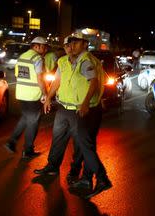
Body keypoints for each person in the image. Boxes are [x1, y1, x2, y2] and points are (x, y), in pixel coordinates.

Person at [34, 32, 112, 199]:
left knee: (82, 145)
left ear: (84, 44)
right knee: (60, 138)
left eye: (75, 43)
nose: (71, 47)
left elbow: (94, 82)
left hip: (81, 110)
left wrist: (85, 103)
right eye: (69, 44)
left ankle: (85, 176)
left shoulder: (86, 61)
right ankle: (54, 167)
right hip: (64, 107)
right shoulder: (64, 61)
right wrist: (48, 97)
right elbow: (57, 81)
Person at [4, 36, 48, 159]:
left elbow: (18, 74)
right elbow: (40, 78)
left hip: (21, 93)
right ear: (36, 46)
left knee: (25, 118)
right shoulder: (37, 58)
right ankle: (27, 151)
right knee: (33, 123)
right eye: (43, 47)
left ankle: (11, 142)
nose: (45, 49)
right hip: (33, 95)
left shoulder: (22, 57)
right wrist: (45, 93)